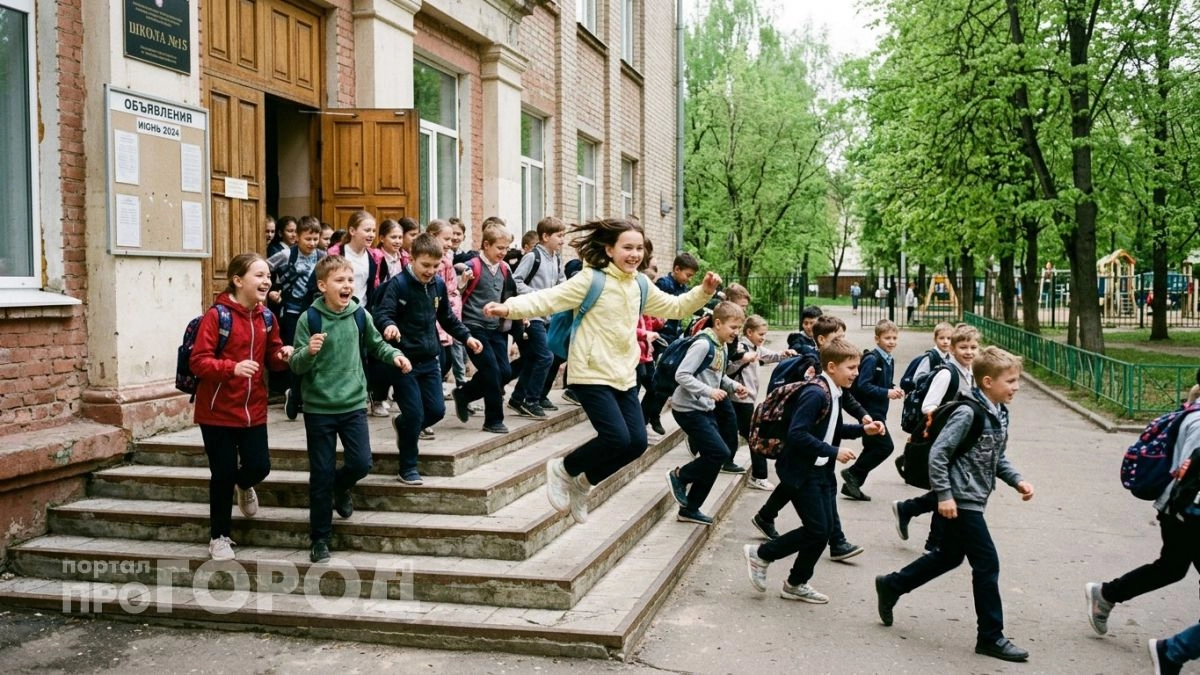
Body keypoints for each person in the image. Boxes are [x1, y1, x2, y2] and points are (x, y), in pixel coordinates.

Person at [484, 218, 719, 525]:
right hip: (590, 371)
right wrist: (508, 307)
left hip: (623, 373)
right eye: (627, 247)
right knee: (616, 438)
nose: (634, 254)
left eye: (638, 248)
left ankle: (583, 482)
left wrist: (703, 291)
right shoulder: (590, 280)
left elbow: (674, 307)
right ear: (609, 249)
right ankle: (563, 469)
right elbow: (549, 298)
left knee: (635, 443)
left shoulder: (640, 284)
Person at [874, 346, 1035, 663]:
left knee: (947, 556)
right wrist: (945, 496)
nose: (1016, 386)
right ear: (988, 381)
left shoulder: (999, 412)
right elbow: (939, 454)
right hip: (962, 500)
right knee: (987, 564)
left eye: (1017, 380)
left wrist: (1017, 480)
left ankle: (892, 585)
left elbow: (995, 457)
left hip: (973, 496)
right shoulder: (967, 412)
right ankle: (991, 637)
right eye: (1011, 381)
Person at [742, 338, 884, 603]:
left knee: (825, 529)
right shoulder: (816, 393)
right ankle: (762, 555)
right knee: (817, 529)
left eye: (857, 367)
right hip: (801, 469)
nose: (855, 372)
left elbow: (830, 429)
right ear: (831, 367)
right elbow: (798, 434)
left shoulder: (835, 392)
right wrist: (834, 452)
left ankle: (796, 583)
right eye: (851, 367)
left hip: (821, 470)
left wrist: (862, 430)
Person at [289, 255, 409, 564]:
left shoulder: (359, 315)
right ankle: (320, 539)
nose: (347, 286)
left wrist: (394, 355)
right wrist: (309, 351)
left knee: (361, 463)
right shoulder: (309, 319)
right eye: (339, 281)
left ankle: (341, 488)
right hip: (318, 408)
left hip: (353, 404)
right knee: (320, 474)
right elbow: (296, 362)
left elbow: (376, 344)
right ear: (322, 286)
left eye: (350, 280)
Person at [189, 253, 293, 561]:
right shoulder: (217, 316)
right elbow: (198, 361)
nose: (267, 281)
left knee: (260, 466)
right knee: (221, 474)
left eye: (268, 277)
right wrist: (231, 368)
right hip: (217, 410)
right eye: (259, 275)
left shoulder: (266, 317)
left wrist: (283, 355)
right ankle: (219, 536)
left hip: (253, 407)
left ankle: (244, 484)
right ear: (238, 280)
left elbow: (272, 354)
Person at [1083, 374, 1200, 643]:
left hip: (1179, 509)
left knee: (1171, 567)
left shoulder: (1193, 412)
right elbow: (1192, 475)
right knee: (1171, 567)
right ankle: (1180, 648)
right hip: (1186, 510)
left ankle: (1106, 595)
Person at [375, 233, 483, 485]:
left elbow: (447, 318)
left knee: (435, 411)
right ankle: (408, 467)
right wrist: (389, 326)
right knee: (414, 414)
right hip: (403, 361)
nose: (431, 271)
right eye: (425, 265)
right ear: (411, 259)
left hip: (429, 360)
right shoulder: (398, 285)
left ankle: (404, 425)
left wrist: (467, 337)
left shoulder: (437, 286)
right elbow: (383, 314)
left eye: (436, 266)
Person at [892, 323, 981, 550]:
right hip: (945, 439)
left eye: (973, 347)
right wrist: (952, 414)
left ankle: (909, 511)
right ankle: (933, 544)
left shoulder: (971, 373)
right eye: (963, 347)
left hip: (961, 440)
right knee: (950, 489)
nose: (969, 352)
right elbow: (928, 406)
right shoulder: (946, 373)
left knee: (951, 489)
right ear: (952, 349)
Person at [666, 301, 751, 525]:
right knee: (719, 452)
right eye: (733, 327)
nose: (736, 333)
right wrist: (709, 391)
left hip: (704, 408)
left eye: (739, 328)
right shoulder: (704, 345)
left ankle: (690, 509)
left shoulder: (721, 345)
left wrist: (733, 386)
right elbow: (682, 375)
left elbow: (717, 376)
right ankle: (680, 476)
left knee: (714, 458)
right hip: (687, 409)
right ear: (718, 323)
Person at [452, 224, 518, 433]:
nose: (503, 252)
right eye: (500, 248)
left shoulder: (505, 268)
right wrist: (462, 280)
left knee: (505, 372)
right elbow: (454, 288)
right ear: (486, 245)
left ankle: (465, 394)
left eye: (506, 248)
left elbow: (509, 296)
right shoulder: (473, 265)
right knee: (490, 371)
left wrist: (517, 318)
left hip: (494, 328)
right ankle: (493, 420)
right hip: (473, 327)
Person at [266, 217, 326, 420]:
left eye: (315, 238)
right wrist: (272, 290)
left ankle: (308, 394)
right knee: (296, 352)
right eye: (307, 238)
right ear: (297, 237)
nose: (311, 243)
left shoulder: (322, 256)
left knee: (315, 352)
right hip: (291, 312)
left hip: (315, 312)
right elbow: (265, 268)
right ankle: (293, 392)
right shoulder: (286, 255)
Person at [729, 315, 795, 490]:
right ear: (749, 332)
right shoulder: (742, 347)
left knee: (733, 430)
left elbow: (769, 355)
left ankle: (726, 459)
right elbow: (731, 365)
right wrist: (743, 358)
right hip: (740, 398)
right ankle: (759, 475)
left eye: (765, 334)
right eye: (760, 334)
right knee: (755, 436)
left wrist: (783, 354)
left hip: (745, 399)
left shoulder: (755, 347)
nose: (763, 337)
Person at [509, 216, 566, 418]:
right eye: (559, 236)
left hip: (548, 315)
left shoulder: (557, 258)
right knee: (545, 356)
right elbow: (515, 281)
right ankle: (531, 400)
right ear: (545, 236)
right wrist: (535, 294)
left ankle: (517, 399)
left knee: (534, 357)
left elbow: (561, 282)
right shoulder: (533, 257)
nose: (562, 240)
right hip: (531, 314)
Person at [841, 319, 904, 500]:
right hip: (870, 411)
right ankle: (853, 473)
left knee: (871, 447)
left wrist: (893, 388)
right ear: (877, 339)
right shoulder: (872, 359)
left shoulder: (889, 360)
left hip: (879, 410)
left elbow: (882, 382)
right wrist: (886, 392)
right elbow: (863, 386)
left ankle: (852, 485)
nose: (891, 342)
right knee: (885, 447)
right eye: (887, 338)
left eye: (894, 338)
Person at [641, 252, 701, 435]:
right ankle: (644, 419)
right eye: (687, 275)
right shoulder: (663, 285)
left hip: (672, 339)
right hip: (658, 338)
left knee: (665, 383)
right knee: (655, 383)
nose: (689, 280)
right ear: (676, 269)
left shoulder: (682, 287)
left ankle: (653, 415)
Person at [427, 219, 468, 391]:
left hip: (448, 317)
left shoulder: (447, 260)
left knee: (447, 359)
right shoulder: (431, 263)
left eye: (452, 239)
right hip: (433, 319)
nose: (450, 244)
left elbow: (451, 289)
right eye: (446, 239)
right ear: (432, 236)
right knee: (438, 359)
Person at [318, 211, 387, 312]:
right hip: (337, 311)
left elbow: (376, 285)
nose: (371, 235)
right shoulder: (335, 253)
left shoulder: (375, 257)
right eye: (367, 230)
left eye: (373, 231)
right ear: (352, 231)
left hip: (362, 311)